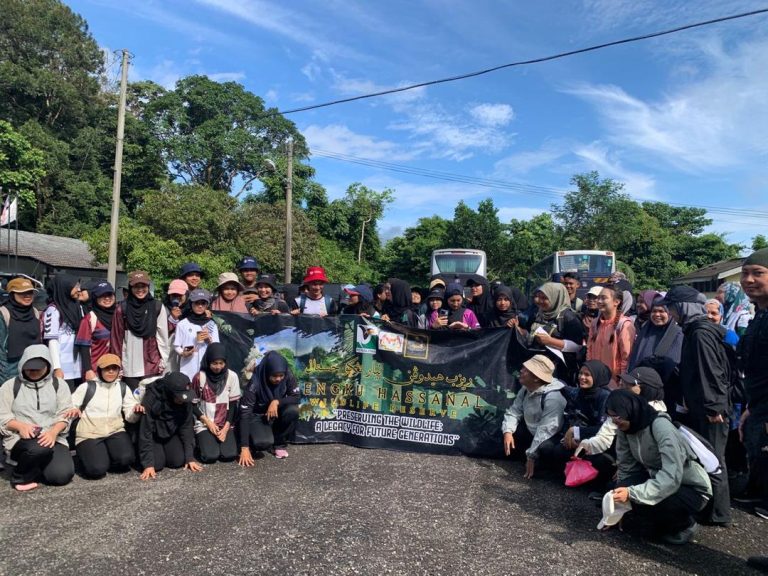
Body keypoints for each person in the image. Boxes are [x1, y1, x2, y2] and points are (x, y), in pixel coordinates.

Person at [661, 285, 732, 525]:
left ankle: (718, 513)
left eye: (672, 309)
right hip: (702, 405)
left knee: (713, 458)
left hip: (712, 408)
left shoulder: (701, 332)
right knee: (706, 456)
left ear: (683, 307)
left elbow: (709, 372)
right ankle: (709, 508)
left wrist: (713, 408)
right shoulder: (695, 330)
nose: (672, 315)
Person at [607, 389, 712, 545]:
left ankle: (685, 525)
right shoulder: (625, 428)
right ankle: (649, 520)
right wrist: (617, 509)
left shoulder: (660, 427)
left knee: (654, 504)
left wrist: (632, 493)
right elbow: (626, 467)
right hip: (656, 476)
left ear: (630, 410)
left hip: (689, 486)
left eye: (618, 417)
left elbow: (672, 477)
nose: (615, 421)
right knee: (616, 490)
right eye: (611, 417)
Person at [0, 345, 77, 491]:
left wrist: (53, 432)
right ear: (22, 365)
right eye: (29, 368)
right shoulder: (10, 386)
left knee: (61, 476)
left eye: (38, 368)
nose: (33, 372)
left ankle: (37, 466)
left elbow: (65, 413)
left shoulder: (59, 385)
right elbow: (2, 415)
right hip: (21, 439)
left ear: (48, 366)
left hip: (52, 436)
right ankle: (19, 477)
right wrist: (20, 426)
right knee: (38, 449)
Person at [71, 354, 141, 478]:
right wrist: (74, 410)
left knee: (126, 459)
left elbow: (130, 415)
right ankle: (89, 458)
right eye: (106, 368)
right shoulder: (87, 387)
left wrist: (136, 411)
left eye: (114, 368)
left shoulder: (122, 387)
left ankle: (104, 456)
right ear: (99, 370)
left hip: (114, 430)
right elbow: (70, 406)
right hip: (89, 433)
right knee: (96, 470)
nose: (111, 371)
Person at [737, 247, 768, 520]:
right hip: (759, 407)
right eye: (745, 274)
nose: (748, 280)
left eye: (758, 273)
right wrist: (751, 406)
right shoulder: (760, 314)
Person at [501, 355, 567, 479]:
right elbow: (515, 411)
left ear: (536, 378)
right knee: (512, 432)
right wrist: (508, 431)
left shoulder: (553, 398)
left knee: (546, 448)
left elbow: (546, 430)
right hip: (532, 431)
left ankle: (548, 468)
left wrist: (531, 455)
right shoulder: (526, 389)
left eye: (526, 370)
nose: (521, 371)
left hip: (551, 436)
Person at [578, 366, 668, 457]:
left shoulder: (659, 420)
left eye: (630, 384)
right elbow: (605, 436)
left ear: (643, 389)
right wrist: (586, 445)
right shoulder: (623, 406)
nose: (623, 385)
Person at [110, 270, 170, 390]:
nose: (140, 289)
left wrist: (163, 360)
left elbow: (162, 336)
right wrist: (117, 363)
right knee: (132, 403)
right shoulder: (122, 308)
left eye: (143, 286)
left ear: (148, 286)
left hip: (152, 364)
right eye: (136, 286)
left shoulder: (157, 307)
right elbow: (116, 338)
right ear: (130, 288)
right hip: (129, 365)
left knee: (151, 402)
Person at [556, 360, 613, 484]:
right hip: (578, 440)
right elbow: (562, 387)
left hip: (599, 442)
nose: (582, 377)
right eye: (580, 373)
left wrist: (576, 432)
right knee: (552, 450)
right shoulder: (578, 392)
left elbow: (602, 428)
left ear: (597, 376)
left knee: (599, 461)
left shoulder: (605, 397)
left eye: (587, 375)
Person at [238, 351, 300, 465]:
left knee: (293, 410)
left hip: (275, 414)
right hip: (257, 416)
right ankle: (253, 440)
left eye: (281, 376)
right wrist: (244, 447)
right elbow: (245, 413)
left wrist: (277, 402)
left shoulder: (287, 374)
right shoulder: (254, 383)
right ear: (267, 373)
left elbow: (296, 397)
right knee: (262, 443)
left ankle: (278, 443)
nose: (278, 379)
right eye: (274, 376)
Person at [138, 371, 203, 479]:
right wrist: (148, 464)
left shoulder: (185, 400)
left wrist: (189, 457)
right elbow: (145, 431)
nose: (182, 400)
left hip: (171, 432)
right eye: (179, 397)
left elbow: (186, 428)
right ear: (170, 392)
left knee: (177, 461)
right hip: (153, 434)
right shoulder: (152, 397)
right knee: (156, 465)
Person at [627, 299, 683, 408]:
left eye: (662, 311)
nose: (657, 314)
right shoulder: (646, 330)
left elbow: (673, 364)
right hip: (640, 386)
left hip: (664, 390)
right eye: (654, 311)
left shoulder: (677, 333)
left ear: (669, 313)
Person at [192, 344, 240, 464]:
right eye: (214, 363)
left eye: (221, 363)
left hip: (224, 423)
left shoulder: (232, 376)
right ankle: (200, 442)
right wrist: (207, 422)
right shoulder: (199, 377)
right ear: (208, 361)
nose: (218, 367)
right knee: (210, 456)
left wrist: (225, 429)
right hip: (205, 422)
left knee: (229, 455)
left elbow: (233, 405)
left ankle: (217, 439)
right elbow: (192, 404)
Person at [527, 282, 585, 383]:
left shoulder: (569, 317)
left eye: (544, 298)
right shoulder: (538, 314)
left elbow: (577, 347)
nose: (538, 301)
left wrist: (550, 341)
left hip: (560, 372)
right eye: (537, 297)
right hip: (537, 367)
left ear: (556, 298)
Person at [587, 286, 636, 388]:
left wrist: (622, 381)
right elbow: (589, 350)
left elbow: (626, 358)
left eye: (603, 298)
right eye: (598, 298)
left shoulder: (624, 325)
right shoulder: (595, 323)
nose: (599, 301)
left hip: (614, 383)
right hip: (596, 380)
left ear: (616, 302)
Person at [43, 274, 84, 390]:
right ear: (65, 287)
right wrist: (56, 367)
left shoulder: (77, 307)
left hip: (78, 368)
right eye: (75, 286)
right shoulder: (53, 310)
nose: (79, 290)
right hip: (63, 370)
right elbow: (52, 341)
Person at [0, 277, 42, 383]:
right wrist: (5, 378)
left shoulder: (35, 312)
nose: (27, 296)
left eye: (30, 292)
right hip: (11, 370)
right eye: (22, 293)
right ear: (12, 294)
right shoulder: (4, 313)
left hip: (34, 368)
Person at [174, 288, 219, 381]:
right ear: (191, 304)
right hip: (188, 367)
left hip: (207, 368)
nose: (200, 306)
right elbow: (176, 345)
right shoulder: (182, 324)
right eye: (197, 303)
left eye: (203, 303)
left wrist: (209, 340)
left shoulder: (212, 324)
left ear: (207, 305)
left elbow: (216, 347)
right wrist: (183, 353)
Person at [76, 280, 116, 381]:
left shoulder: (119, 315)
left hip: (115, 370)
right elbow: (84, 347)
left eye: (109, 294)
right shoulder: (89, 319)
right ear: (95, 298)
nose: (107, 298)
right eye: (102, 295)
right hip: (95, 372)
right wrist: (88, 370)